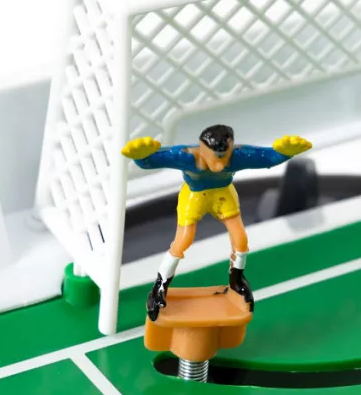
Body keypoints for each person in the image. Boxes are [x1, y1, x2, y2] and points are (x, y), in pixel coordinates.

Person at [122, 124, 312, 320]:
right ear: (202, 149)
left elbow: (266, 158)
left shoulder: (238, 156)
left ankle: (237, 280)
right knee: (183, 241)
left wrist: (283, 153)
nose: (220, 166)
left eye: (224, 157)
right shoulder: (186, 156)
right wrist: (141, 157)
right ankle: (159, 288)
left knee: (240, 239)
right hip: (195, 196)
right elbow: (154, 160)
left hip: (223, 194)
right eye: (215, 157)